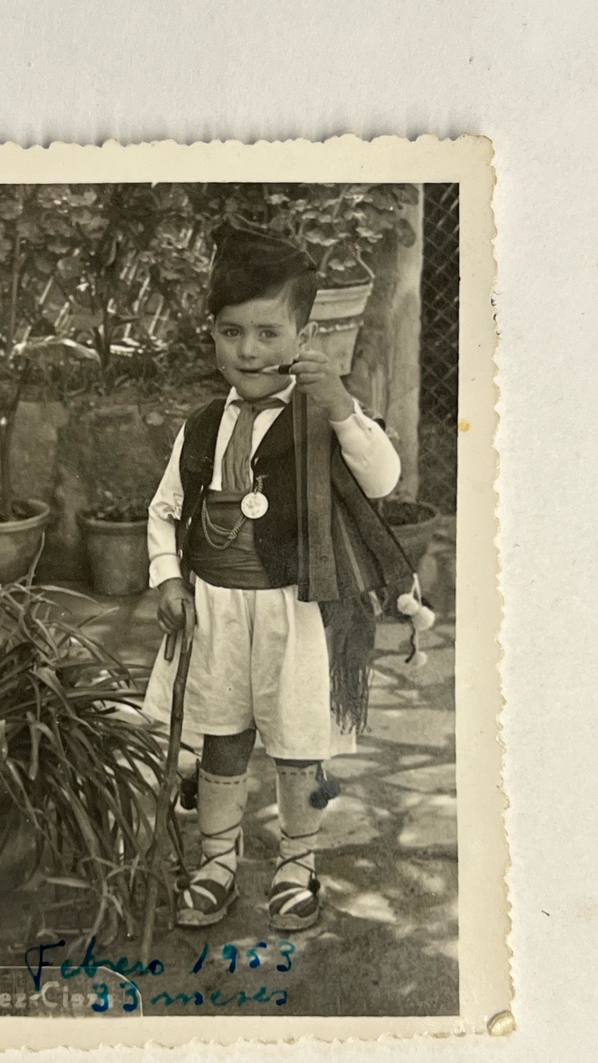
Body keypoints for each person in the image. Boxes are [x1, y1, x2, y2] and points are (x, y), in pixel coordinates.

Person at [142, 222, 412, 933]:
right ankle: (218, 860)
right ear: (213, 336)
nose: (250, 351)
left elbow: (383, 480)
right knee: (222, 735)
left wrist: (343, 408)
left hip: (295, 609)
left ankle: (298, 863)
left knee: (298, 739)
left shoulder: (322, 416)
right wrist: (168, 578)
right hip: (217, 609)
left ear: (303, 335)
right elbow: (166, 509)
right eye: (232, 333)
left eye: (268, 333)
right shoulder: (204, 426)